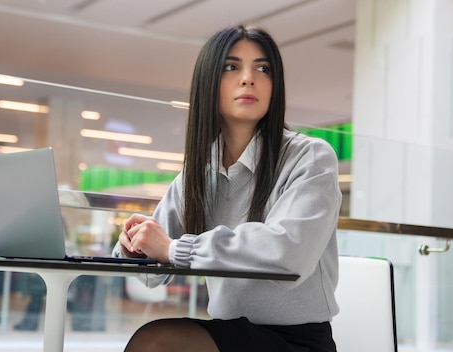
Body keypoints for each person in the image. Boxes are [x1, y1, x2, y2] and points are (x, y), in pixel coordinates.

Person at [115, 24, 342, 352]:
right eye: (231, 67)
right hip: (229, 334)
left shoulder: (311, 157)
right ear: (209, 82)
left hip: (297, 341)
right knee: (154, 340)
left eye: (262, 68)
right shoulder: (198, 172)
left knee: (157, 342)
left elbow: (288, 254)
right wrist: (134, 244)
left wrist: (174, 249)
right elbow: (152, 275)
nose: (248, 78)